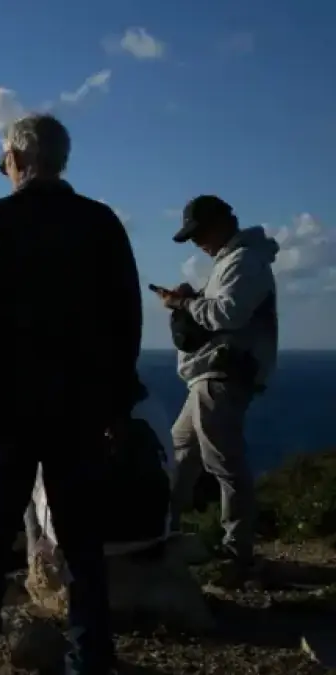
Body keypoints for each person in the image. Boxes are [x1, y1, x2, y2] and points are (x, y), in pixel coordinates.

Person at [0, 113, 141, 675]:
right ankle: (90, 658)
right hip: (80, 408)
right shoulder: (101, 224)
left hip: (8, 409)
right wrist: (117, 404)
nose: (3, 167)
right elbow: (125, 320)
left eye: (3, 159)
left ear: (18, 158)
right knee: (83, 544)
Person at [155, 195, 279, 571]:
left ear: (223, 224)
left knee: (223, 463)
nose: (197, 242)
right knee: (179, 457)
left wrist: (183, 305)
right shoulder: (234, 261)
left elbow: (228, 313)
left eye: (199, 233)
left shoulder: (243, 261)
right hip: (210, 377)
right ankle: (162, 533)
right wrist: (193, 300)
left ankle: (236, 550)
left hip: (222, 375)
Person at [25, 382, 175, 560]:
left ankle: (37, 554)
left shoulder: (53, 403)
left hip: (73, 543)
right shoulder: (150, 402)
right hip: (151, 535)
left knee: (25, 460)